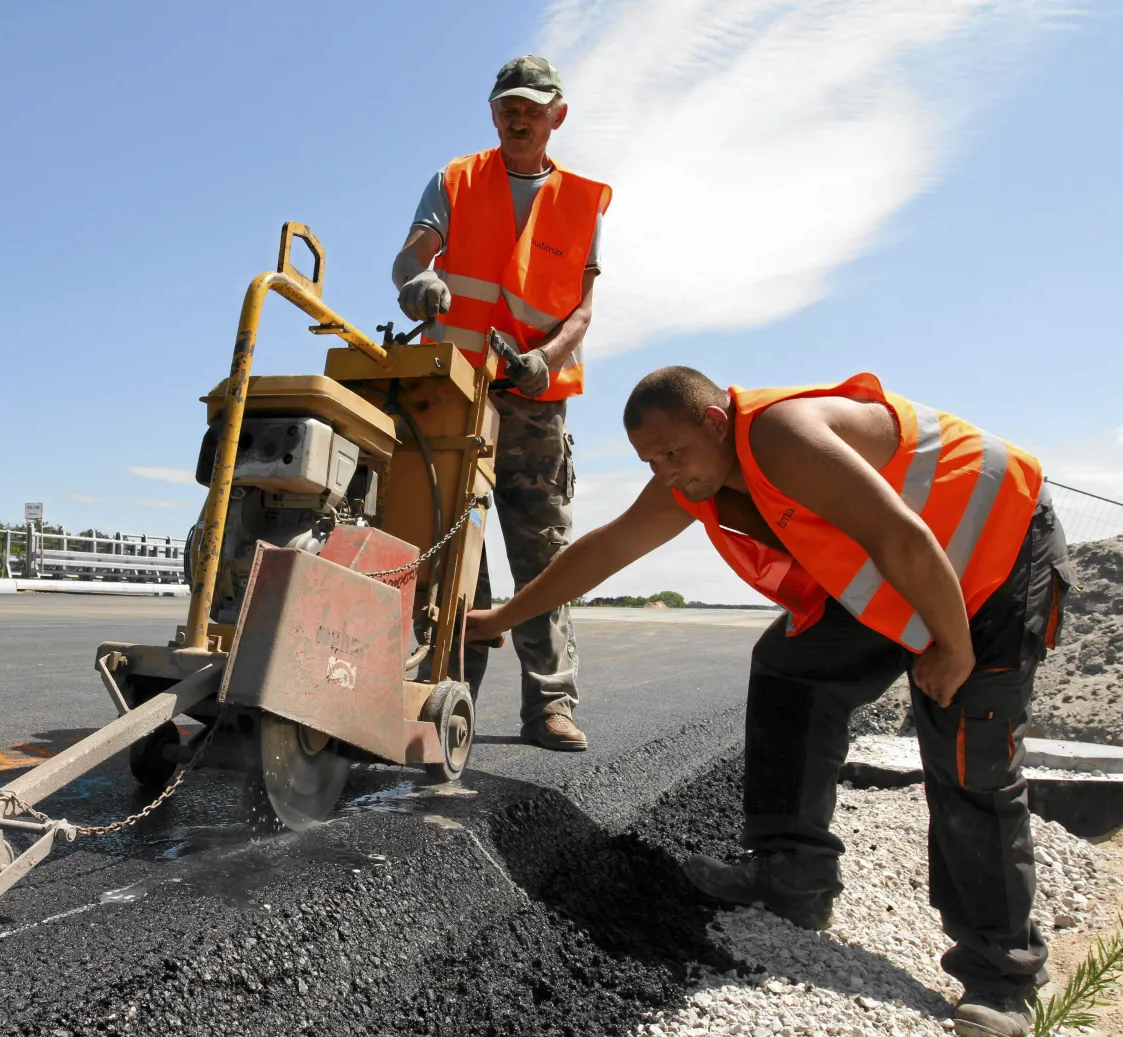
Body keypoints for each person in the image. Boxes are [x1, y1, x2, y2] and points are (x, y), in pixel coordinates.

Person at [466, 366, 1072, 1037]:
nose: (665, 471)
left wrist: (952, 646)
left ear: (716, 422)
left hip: (995, 555)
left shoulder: (783, 434)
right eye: (650, 460)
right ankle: (793, 877)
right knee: (791, 667)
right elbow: (604, 551)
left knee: (969, 755)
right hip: (906, 569)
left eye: (673, 452)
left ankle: (1002, 975)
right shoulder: (693, 482)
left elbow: (901, 533)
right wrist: (502, 619)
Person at [391, 55, 612, 751]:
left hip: (532, 405)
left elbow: (581, 308)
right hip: (452, 395)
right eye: (506, 105)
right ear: (493, 113)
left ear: (557, 115)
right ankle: (448, 698)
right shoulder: (456, 180)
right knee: (455, 553)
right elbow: (411, 257)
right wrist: (416, 283)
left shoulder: (580, 199)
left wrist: (545, 361)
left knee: (541, 555)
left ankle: (549, 704)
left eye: (531, 106)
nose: (518, 115)